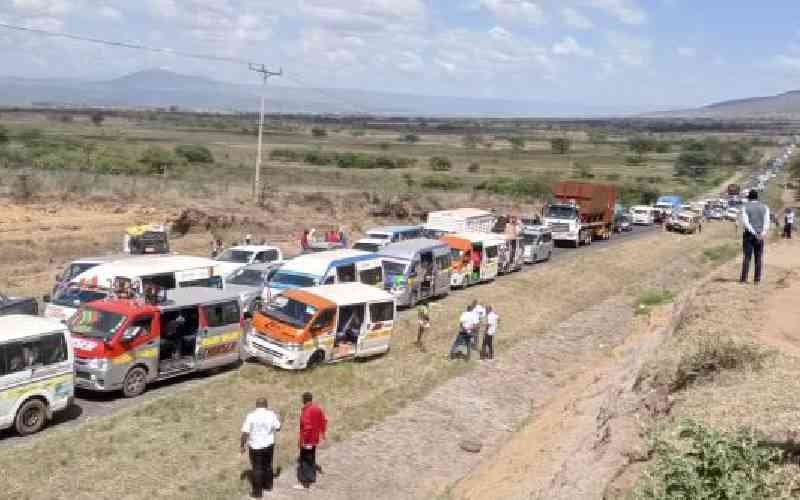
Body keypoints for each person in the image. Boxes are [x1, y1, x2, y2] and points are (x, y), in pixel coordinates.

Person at [241, 398, 281, 498]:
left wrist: (242, 445)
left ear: (256, 405)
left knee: (257, 468)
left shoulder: (251, 416)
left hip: (256, 446)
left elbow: (245, 432)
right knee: (268, 465)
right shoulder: (271, 414)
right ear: (266, 405)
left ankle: (257, 493)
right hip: (269, 445)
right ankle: (268, 486)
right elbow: (278, 427)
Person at [296, 392, 327, 491]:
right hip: (314, 439)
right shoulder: (317, 408)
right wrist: (322, 432)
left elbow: (307, 427)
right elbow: (324, 420)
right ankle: (312, 478)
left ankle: (305, 483)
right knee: (311, 459)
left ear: (304, 399)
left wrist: (303, 441)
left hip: (307, 440)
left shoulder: (306, 410)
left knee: (304, 460)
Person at [740, 190, 770, 284]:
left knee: (747, 257)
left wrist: (753, 232)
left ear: (749, 197)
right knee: (758, 257)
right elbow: (767, 222)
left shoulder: (745, 207)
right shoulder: (765, 207)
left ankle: (744, 279)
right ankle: (757, 280)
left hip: (749, 235)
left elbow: (745, 222)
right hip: (760, 234)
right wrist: (762, 233)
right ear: (757, 197)